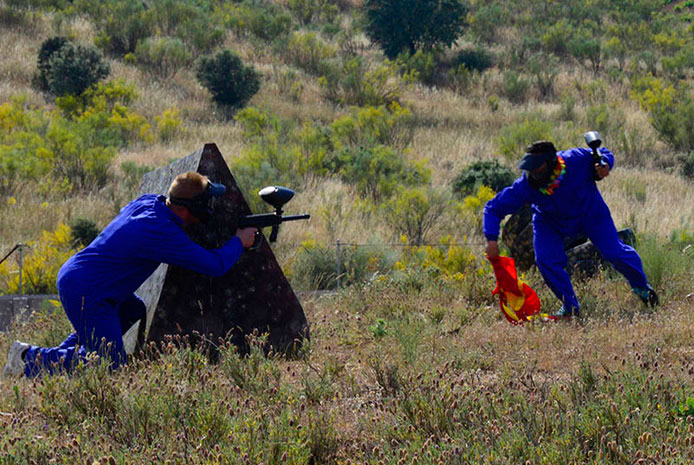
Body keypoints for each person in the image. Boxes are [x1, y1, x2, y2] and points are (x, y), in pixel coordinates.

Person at [2, 172, 257, 377]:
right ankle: (28, 358)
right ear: (193, 206)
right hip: (89, 290)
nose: (211, 207)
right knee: (108, 365)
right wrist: (239, 241)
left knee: (133, 309)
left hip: (82, 276)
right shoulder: (162, 232)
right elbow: (214, 265)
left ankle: (62, 356)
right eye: (207, 202)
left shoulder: (149, 202)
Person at [483, 140, 658, 319]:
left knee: (614, 252)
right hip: (549, 222)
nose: (533, 174)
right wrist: (491, 239)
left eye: (538, 169)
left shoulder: (576, 159)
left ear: (551, 163)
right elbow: (493, 208)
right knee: (545, 261)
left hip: (590, 214)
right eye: (530, 169)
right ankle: (570, 307)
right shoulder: (525, 186)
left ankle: (642, 288)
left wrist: (605, 165)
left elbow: (605, 154)